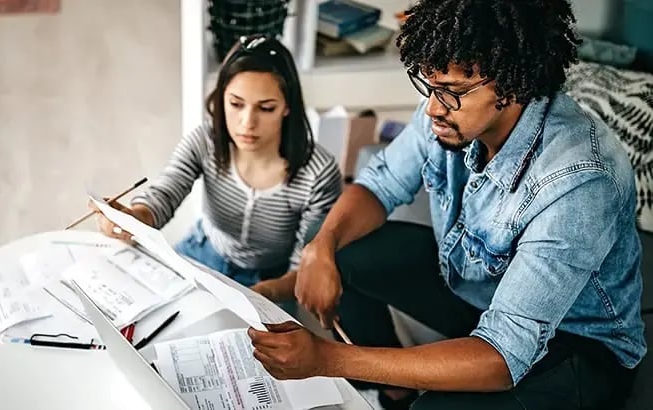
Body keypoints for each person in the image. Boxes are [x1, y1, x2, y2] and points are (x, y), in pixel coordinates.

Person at [247, 1, 647, 409]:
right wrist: (322, 246)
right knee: (333, 237)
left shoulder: (579, 181)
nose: (434, 108)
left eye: (453, 93)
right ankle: (395, 392)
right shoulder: (448, 110)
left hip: (575, 346)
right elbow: (380, 183)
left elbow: (503, 355)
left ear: (515, 83)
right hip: (478, 289)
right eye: (430, 87)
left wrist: (328, 359)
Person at [93, 34, 342, 291]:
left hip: (273, 281)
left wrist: (261, 295)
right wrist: (134, 220)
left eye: (266, 108)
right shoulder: (205, 141)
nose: (247, 123)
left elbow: (305, 266)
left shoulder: (318, 174)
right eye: (235, 104)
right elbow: (165, 194)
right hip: (202, 253)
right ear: (221, 98)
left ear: (287, 107)